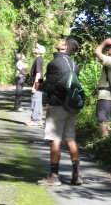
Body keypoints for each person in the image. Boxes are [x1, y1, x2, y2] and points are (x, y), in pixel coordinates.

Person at [36, 37, 83, 186]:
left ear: (63, 46)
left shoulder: (54, 63)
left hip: (57, 106)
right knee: (70, 139)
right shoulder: (74, 65)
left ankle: (54, 176)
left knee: (54, 139)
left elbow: (50, 87)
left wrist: (39, 86)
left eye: (61, 40)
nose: (58, 41)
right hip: (71, 107)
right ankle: (76, 175)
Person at [26, 43, 46, 125]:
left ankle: (34, 120)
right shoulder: (39, 59)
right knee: (38, 101)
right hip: (40, 82)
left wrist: (34, 86)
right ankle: (39, 119)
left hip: (37, 82)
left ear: (39, 51)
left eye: (36, 48)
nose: (35, 49)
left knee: (35, 101)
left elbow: (38, 73)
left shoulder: (38, 60)